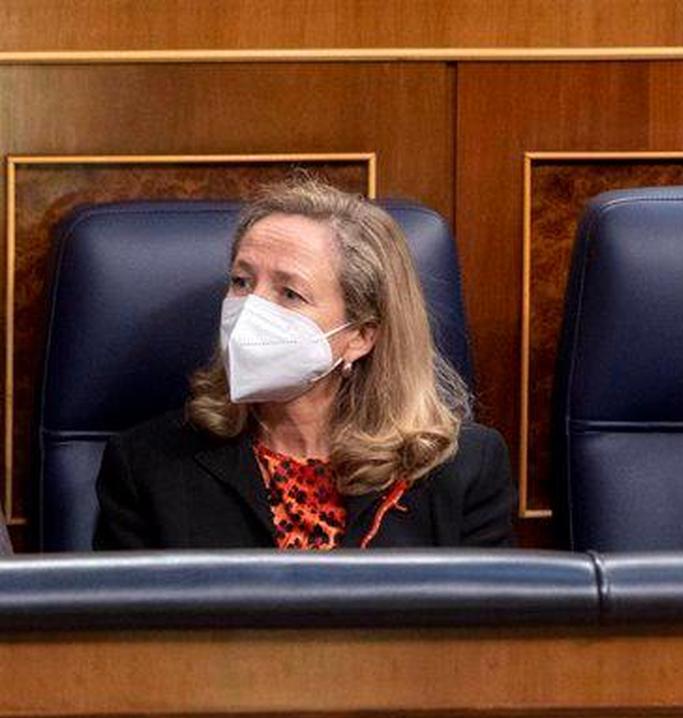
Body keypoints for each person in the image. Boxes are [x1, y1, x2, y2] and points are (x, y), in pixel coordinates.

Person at [95, 179, 514, 549]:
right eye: (241, 282)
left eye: (289, 294)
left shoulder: (462, 468)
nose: (250, 309)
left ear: (361, 336)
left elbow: (487, 634)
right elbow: (128, 634)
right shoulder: (146, 466)